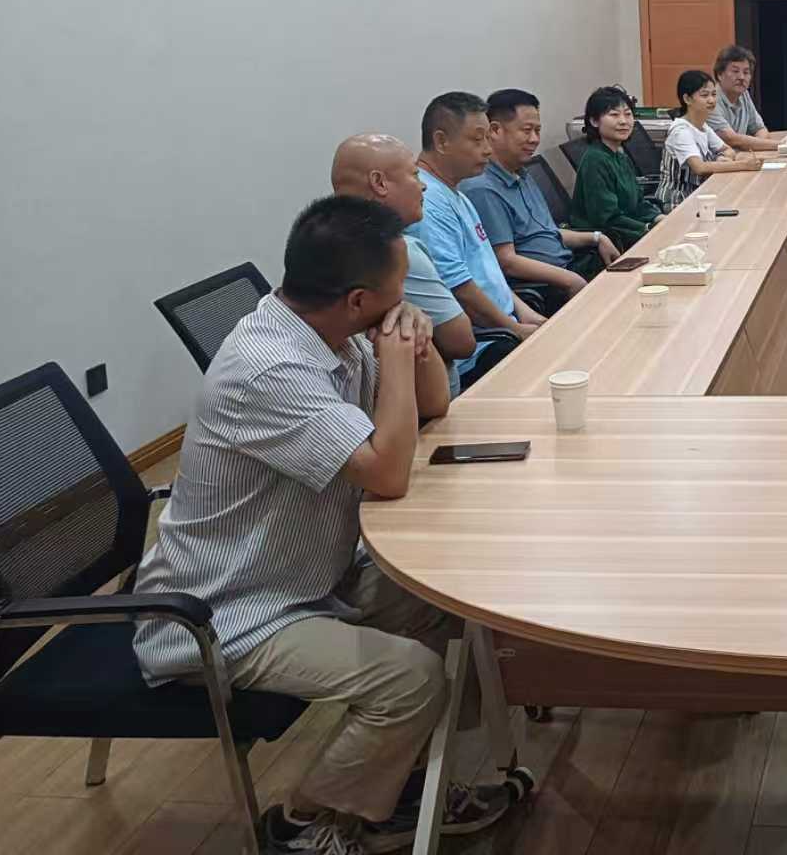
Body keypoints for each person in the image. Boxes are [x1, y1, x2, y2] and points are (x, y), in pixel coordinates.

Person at [132, 196, 512, 853]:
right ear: (360, 299)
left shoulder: (337, 330)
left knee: (452, 599)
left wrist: (415, 345)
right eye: (401, 289)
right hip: (224, 613)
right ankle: (303, 822)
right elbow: (388, 472)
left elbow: (433, 405)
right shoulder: (271, 368)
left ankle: (396, 787)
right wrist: (397, 359)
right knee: (409, 679)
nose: (407, 299)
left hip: (308, 575)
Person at [408, 92, 547, 388]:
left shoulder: (456, 192)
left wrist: (525, 313)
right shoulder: (427, 202)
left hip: (505, 324)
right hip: (483, 347)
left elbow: (487, 273)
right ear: (441, 141)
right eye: (477, 139)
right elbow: (460, 288)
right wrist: (514, 329)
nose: (487, 149)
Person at [330, 133, 474, 397]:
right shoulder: (393, 251)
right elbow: (462, 342)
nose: (424, 186)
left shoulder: (328, 242)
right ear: (379, 183)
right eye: (415, 175)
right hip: (431, 407)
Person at [462, 89, 618, 296]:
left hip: (568, 265)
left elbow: (549, 232)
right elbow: (506, 261)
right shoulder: (483, 189)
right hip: (546, 286)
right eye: (527, 131)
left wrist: (597, 238)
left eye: (537, 130)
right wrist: (570, 279)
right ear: (495, 130)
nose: (535, 139)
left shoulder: (521, 173)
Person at [567, 85, 663, 250]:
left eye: (628, 114)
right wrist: (647, 229)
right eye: (614, 115)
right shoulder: (595, 160)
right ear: (594, 121)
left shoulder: (620, 156)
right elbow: (607, 219)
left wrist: (658, 218)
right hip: (608, 243)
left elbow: (638, 203)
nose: (623, 121)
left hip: (631, 234)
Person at [657, 69, 762, 209]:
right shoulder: (681, 131)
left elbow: (728, 150)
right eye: (704, 95)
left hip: (700, 195)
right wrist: (744, 165)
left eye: (714, 94)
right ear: (687, 99)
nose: (711, 100)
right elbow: (699, 167)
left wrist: (721, 158)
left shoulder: (703, 126)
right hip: (677, 201)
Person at [709, 44, 778, 153]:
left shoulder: (743, 94)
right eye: (735, 71)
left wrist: (757, 146)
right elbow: (732, 139)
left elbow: (760, 129)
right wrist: (782, 145)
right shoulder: (710, 99)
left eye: (746, 72)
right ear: (720, 75)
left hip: (739, 158)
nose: (741, 77)